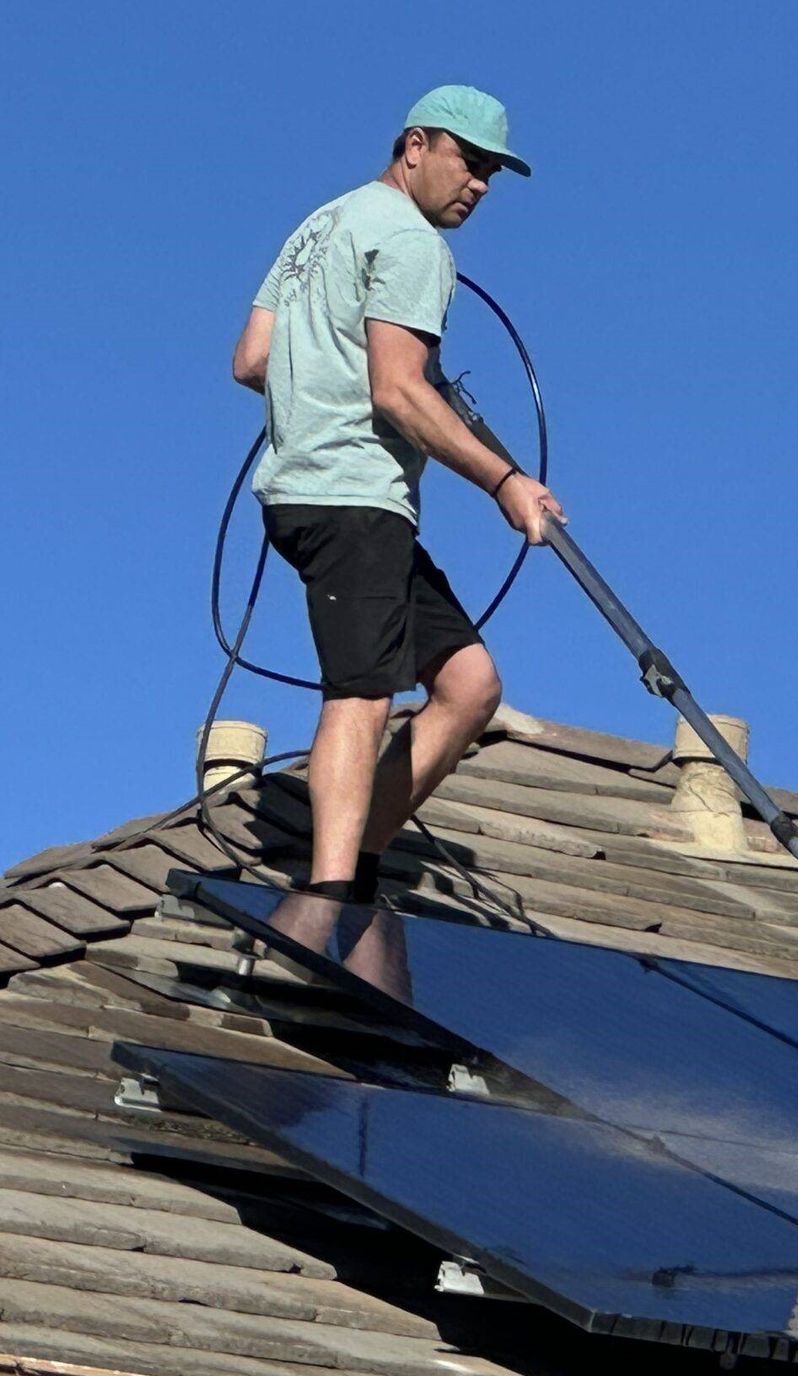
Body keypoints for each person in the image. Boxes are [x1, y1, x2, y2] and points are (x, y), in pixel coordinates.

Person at [232, 84, 565, 909]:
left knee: (468, 686)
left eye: (492, 172)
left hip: (312, 493)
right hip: (353, 497)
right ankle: (333, 893)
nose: (481, 184)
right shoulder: (413, 244)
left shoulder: (321, 225)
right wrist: (505, 481)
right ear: (415, 145)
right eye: (471, 161)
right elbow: (400, 392)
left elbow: (250, 360)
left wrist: (322, 378)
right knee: (363, 690)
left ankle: (361, 857)